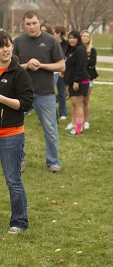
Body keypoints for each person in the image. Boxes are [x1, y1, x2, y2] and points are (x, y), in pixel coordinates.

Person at [13, 11, 65, 173]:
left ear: (39, 22)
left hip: (46, 92)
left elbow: (61, 65)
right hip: (22, 94)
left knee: (50, 129)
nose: (31, 27)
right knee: (16, 127)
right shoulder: (18, 42)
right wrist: (27, 65)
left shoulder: (50, 41)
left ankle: (53, 162)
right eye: (28, 24)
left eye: (34, 23)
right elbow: (11, 67)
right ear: (24, 25)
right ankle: (18, 160)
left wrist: (41, 65)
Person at [0, 30, 33, 233]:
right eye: (1, 46)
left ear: (12, 46)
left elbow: (26, 104)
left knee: (13, 180)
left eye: (7, 45)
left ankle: (19, 221)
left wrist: (1, 98)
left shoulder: (19, 73)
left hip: (11, 134)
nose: (5, 49)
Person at [64, 30, 90, 135]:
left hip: (80, 82)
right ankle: (75, 125)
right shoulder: (72, 50)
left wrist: (76, 81)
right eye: (70, 37)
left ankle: (79, 128)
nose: (71, 40)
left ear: (78, 39)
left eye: (74, 38)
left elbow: (81, 66)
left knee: (78, 105)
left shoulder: (80, 50)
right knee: (74, 105)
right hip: (73, 81)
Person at [80, 30, 98, 130]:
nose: (85, 38)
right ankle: (76, 122)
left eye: (87, 36)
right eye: (84, 36)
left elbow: (92, 62)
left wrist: (83, 60)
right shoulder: (77, 49)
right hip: (78, 78)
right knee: (77, 102)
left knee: (85, 100)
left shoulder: (92, 50)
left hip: (88, 78)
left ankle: (86, 121)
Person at [53, 25, 68, 120]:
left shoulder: (66, 44)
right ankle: (53, 113)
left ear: (58, 33)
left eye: (54, 32)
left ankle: (63, 112)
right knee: (50, 92)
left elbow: (66, 56)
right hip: (53, 71)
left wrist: (63, 69)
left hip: (61, 71)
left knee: (61, 92)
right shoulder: (52, 42)